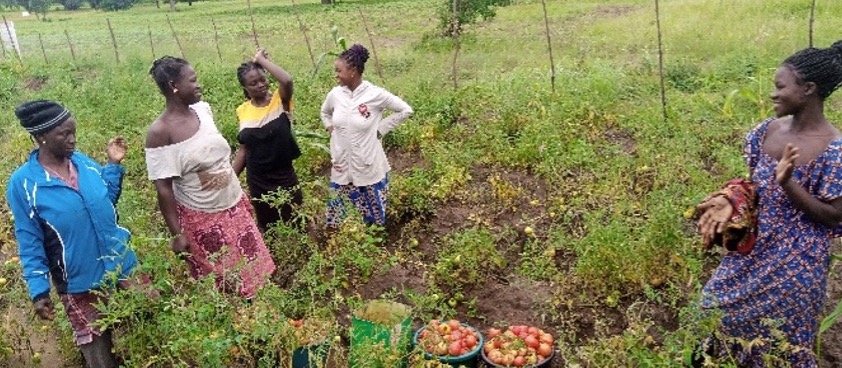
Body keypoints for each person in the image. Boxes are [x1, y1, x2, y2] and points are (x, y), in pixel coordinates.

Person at [695, 40, 842, 367]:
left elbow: (834, 216)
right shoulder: (768, 131)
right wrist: (730, 198)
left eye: (780, 87)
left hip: (796, 266)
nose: (773, 94)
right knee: (710, 311)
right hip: (753, 249)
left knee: (781, 343)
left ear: (808, 89)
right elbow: (754, 185)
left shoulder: (835, 150)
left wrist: (789, 183)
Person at [6, 100, 137, 368]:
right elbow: (30, 240)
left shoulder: (82, 163)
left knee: (151, 329)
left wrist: (113, 166)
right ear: (41, 137)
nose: (72, 139)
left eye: (73, 132)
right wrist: (39, 290)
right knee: (100, 357)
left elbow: (106, 201)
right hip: (80, 282)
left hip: (123, 264)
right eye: (64, 134)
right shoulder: (24, 184)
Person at [145, 56, 275, 298]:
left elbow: (217, 157)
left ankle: (264, 311)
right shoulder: (160, 132)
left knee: (256, 269)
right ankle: (241, 319)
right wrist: (177, 234)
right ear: (174, 86)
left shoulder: (202, 110)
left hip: (234, 204)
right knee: (226, 282)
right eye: (192, 80)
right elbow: (163, 187)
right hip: (202, 216)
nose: (198, 85)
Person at [320, 44, 413, 228]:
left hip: (367, 164)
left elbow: (406, 110)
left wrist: (380, 129)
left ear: (353, 71)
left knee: (373, 221)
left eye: (339, 71)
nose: (336, 75)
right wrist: (330, 127)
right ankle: (340, 241)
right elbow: (324, 112)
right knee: (335, 219)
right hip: (341, 165)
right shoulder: (335, 94)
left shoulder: (375, 95)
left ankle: (373, 239)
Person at [233, 48, 303, 232]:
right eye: (253, 83)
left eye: (262, 79)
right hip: (257, 179)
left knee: (298, 221)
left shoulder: (280, 101)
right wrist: (231, 178)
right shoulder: (243, 110)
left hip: (284, 175)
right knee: (267, 226)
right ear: (245, 88)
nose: (260, 85)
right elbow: (244, 148)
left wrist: (261, 60)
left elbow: (287, 80)